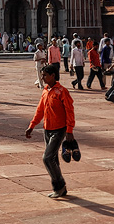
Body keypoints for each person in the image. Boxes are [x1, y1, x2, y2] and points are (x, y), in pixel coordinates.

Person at [25, 63, 76, 199]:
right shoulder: (46, 91)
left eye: (45, 75)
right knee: (53, 159)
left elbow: (69, 111)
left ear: (53, 76)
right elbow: (40, 110)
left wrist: (69, 130)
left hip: (59, 130)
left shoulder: (62, 91)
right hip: (47, 129)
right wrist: (32, 125)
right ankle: (60, 189)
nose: (43, 78)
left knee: (47, 158)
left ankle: (59, 186)